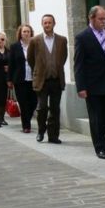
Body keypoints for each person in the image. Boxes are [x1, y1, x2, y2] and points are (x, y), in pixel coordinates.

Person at [74, 6, 105, 159]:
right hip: (92, 85)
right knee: (96, 116)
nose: (104, 22)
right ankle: (100, 147)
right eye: (100, 19)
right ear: (92, 18)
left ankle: (98, 134)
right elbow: (79, 64)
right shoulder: (82, 37)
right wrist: (81, 87)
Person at [28, 15, 68, 143]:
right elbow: (30, 59)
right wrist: (39, 70)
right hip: (42, 81)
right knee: (42, 107)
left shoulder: (62, 40)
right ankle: (41, 131)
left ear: (54, 24)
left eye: (49, 22)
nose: (47, 25)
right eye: (45, 23)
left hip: (56, 79)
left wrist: (56, 67)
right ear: (42, 24)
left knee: (55, 109)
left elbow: (64, 57)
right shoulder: (35, 40)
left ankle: (53, 135)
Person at [9, 24, 38, 133]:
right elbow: (11, 63)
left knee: (34, 101)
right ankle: (26, 125)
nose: (26, 33)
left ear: (31, 33)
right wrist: (9, 80)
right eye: (24, 31)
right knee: (23, 102)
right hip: (20, 79)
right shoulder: (15, 47)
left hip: (33, 78)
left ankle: (27, 119)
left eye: (28, 31)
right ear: (20, 34)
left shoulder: (35, 45)